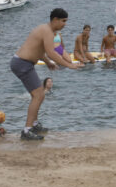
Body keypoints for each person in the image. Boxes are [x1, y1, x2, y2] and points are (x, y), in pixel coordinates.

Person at [10, 8, 81, 140]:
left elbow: (39, 50)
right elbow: (51, 52)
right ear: (55, 20)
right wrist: (69, 65)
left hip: (23, 63)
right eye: (63, 21)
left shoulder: (48, 31)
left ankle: (34, 125)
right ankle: (27, 130)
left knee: (39, 95)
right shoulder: (47, 31)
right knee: (38, 95)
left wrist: (48, 63)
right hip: (22, 63)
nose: (65, 24)